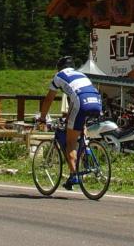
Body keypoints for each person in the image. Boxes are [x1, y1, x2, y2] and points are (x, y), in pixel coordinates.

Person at [42, 56, 102, 190]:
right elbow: (73, 102)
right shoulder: (80, 74)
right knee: (80, 126)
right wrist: (68, 117)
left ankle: (74, 175)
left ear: (60, 68)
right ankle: (86, 149)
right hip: (96, 101)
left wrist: (42, 117)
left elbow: (48, 100)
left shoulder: (59, 76)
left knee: (70, 142)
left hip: (81, 102)